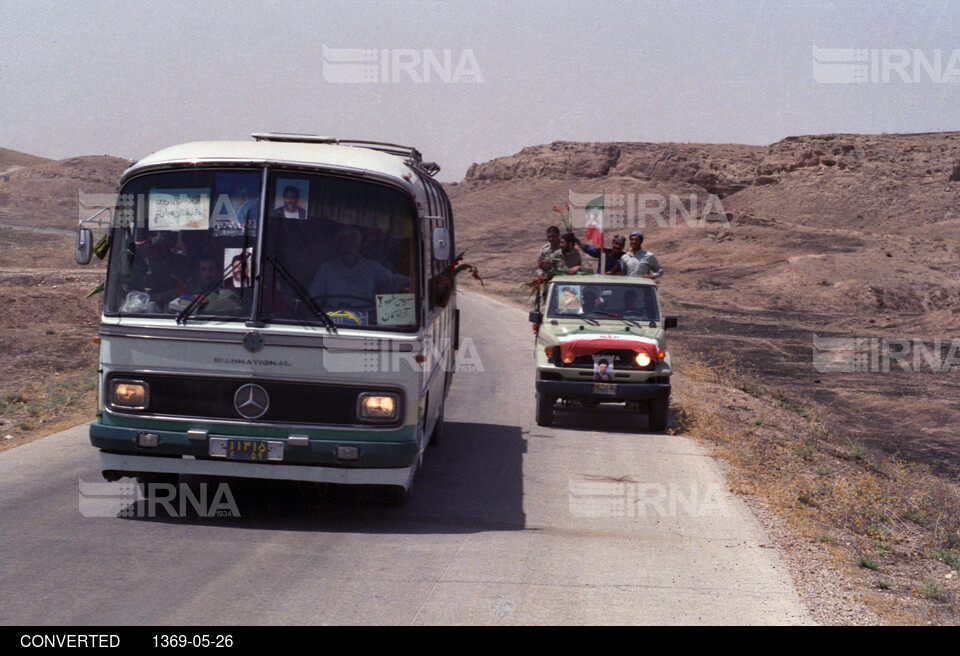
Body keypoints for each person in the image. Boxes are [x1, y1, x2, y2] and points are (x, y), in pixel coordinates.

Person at [309, 226, 407, 308]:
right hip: (333, 322)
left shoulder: (372, 267)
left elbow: (394, 281)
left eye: (351, 245)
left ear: (358, 246)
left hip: (367, 325)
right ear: (338, 247)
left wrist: (412, 282)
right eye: (343, 245)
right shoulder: (326, 269)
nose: (348, 249)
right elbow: (314, 298)